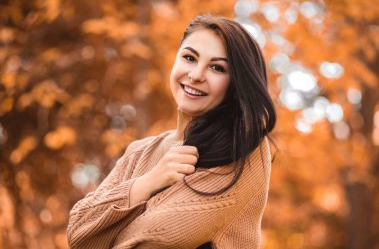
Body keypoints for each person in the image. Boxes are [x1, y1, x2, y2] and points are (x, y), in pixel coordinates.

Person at [67, 14, 276, 249]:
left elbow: (151, 240)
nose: (196, 75)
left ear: (237, 84)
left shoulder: (245, 151)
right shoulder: (139, 151)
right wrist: (150, 181)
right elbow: (78, 234)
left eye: (217, 68)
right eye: (189, 58)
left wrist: (109, 228)